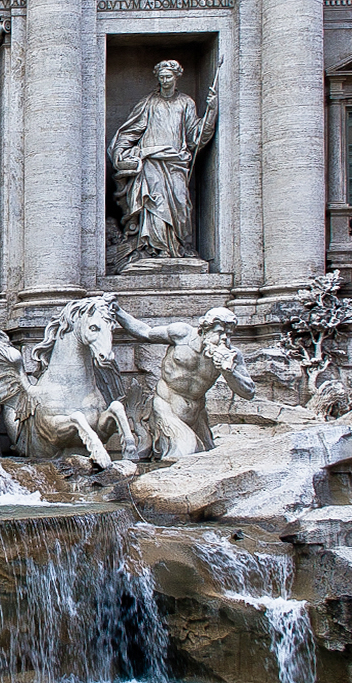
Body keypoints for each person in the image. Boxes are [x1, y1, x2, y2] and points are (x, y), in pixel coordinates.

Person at [109, 59, 217, 263]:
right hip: (152, 161)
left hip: (176, 162)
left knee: (181, 203)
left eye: (168, 77)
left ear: (176, 78)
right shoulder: (149, 102)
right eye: (162, 77)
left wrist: (211, 111)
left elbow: (196, 136)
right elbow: (131, 130)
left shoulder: (186, 103)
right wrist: (121, 152)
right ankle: (157, 249)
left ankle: (177, 246)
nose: (165, 81)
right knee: (155, 203)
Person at [116, 306, 256, 459]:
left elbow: (248, 392)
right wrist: (118, 312)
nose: (224, 338)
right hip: (166, 406)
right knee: (185, 453)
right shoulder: (182, 334)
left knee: (205, 457)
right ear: (204, 329)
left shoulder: (232, 356)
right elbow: (145, 332)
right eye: (219, 332)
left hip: (197, 415)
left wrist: (229, 371)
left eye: (228, 334)